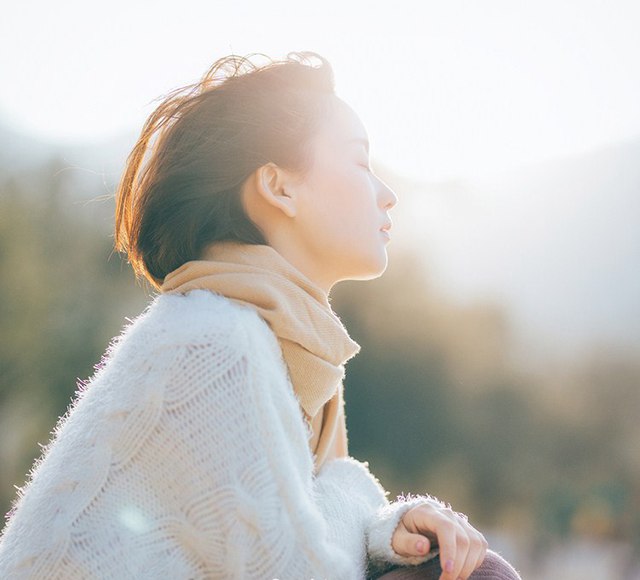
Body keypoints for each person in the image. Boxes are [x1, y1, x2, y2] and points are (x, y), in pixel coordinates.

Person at [0, 51, 521, 579]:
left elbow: (300, 528)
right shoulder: (213, 341)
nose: (388, 196)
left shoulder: (294, 350)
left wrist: (385, 522)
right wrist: (366, 509)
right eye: (361, 162)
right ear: (278, 187)